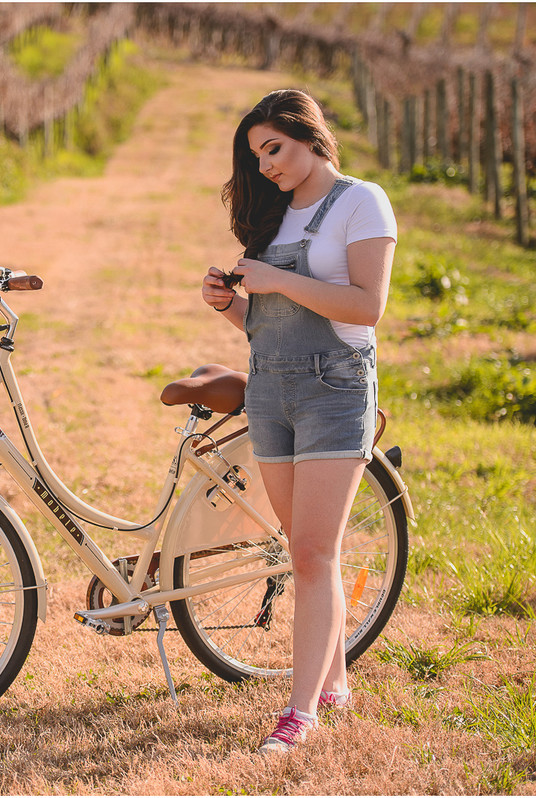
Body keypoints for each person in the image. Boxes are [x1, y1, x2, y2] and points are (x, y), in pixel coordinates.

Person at [201, 89, 397, 754]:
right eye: (257, 156)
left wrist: (275, 281)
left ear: (309, 135)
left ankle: (300, 714)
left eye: (274, 148)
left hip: (334, 392)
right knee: (308, 553)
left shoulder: (361, 202)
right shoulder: (274, 217)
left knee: (312, 556)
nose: (266, 166)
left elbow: (367, 306)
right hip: (271, 393)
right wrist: (230, 303)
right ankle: (335, 682)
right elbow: (265, 332)